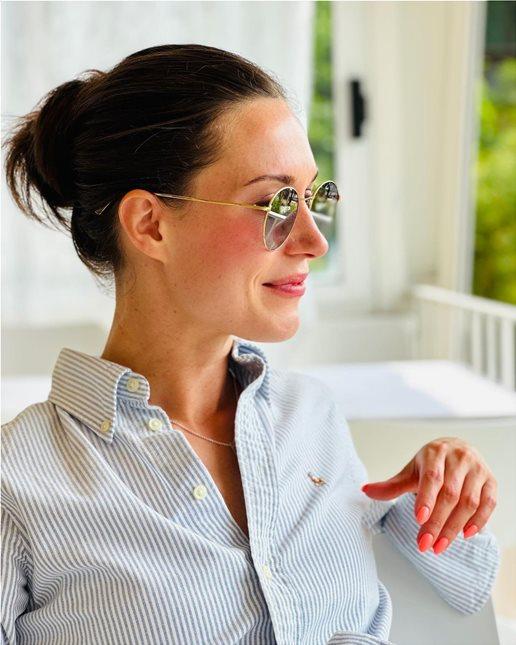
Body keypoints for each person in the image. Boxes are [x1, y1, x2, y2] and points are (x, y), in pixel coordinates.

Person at [1, 44, 500, 645]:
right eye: (274, 203)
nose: (314, 240)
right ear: (150, 225)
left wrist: (449, 489)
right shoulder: (17, 480)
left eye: (313, 199)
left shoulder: (310, 419)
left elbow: (465, 590)